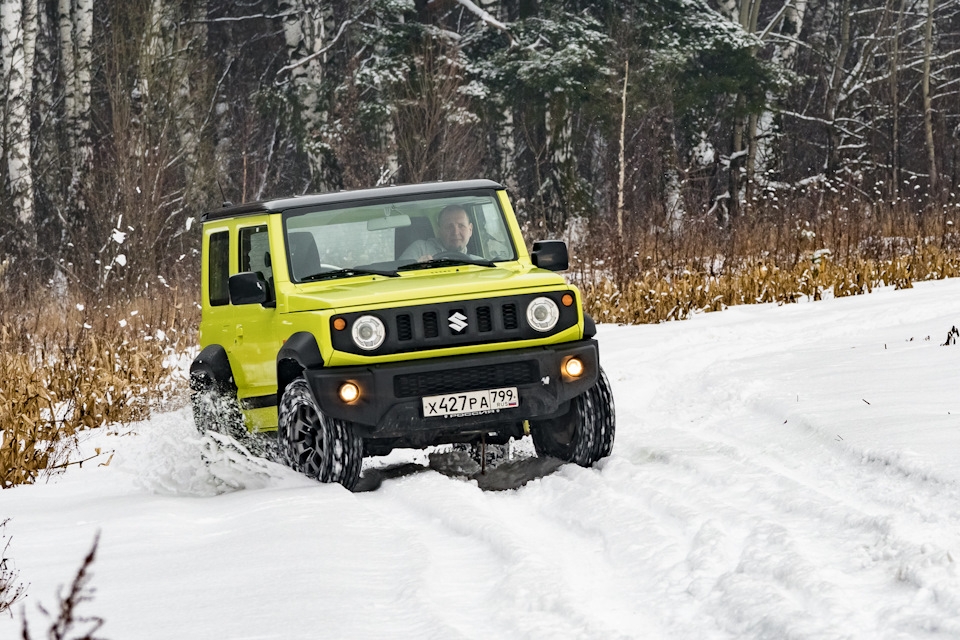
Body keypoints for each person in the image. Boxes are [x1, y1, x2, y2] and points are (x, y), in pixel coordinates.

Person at [400, 205, 475, 262]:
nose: (455, 232)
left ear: (470, 229)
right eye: (449, 227)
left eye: (461, 226)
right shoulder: (420, 249)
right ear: (439, 230)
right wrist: (416, 268)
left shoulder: (479, 263)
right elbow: (398, 278)